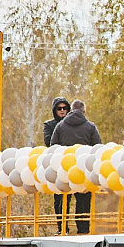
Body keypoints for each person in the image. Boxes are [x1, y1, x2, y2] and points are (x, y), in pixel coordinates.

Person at [49, 98, 103, 233]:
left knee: (63, 199)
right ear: (84, 111)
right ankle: (83, 229)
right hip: (83, 170)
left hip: (64, 169)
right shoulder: (90, 127)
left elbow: (53, 146)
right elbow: (98, 147)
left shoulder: (60, 126)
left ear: (71, 110)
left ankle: (62, 229)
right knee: (83, 200)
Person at [42, 96, 72, 232]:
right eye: (59, 108)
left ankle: (81, 227)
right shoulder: (49, 125)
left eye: (64, 108)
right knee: (59, 198)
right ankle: (61, 227)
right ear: (55, 110)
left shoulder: (72, 125)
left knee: (79, 197)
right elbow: (48, 141)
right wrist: (60, 128)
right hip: (56, 165)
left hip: (72, 164)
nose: (62, 111)